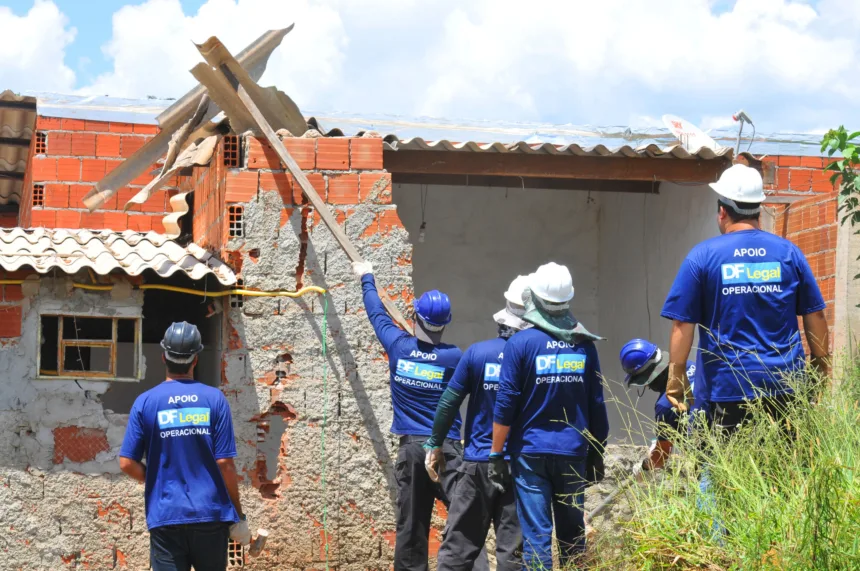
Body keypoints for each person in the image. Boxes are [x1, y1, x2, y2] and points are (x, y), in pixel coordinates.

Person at [661, 163, 830, 435]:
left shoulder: (702, 256)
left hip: (727, 389)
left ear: (722, 211)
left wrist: (676, 377)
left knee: (726, 472)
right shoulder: (789, 253)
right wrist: (821, 365)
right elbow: (815, 315)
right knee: (784, 472)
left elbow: (682, 325)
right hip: (785, 386)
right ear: (758, 210)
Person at [352, 261, 488, 571]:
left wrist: (367, 277)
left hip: (413, 450)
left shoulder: (399, 346)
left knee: (412, 528)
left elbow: (377, 314)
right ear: (445, 323)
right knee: (465, 518)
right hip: (449, 450)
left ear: (416, 317)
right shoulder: (456, 357)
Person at [490, 262, 609, 569]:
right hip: (572, 453)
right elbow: (597, 404)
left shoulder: (520, 344)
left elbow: (505, 407)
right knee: (573, 536)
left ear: (534, 298)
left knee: (537, 537)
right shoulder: (584, 346)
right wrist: (596, 452)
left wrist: (495, 454)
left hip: (530, 455)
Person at [119, 322, 250, 571]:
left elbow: (126, 463)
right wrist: (239, 515)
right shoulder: (214, 399)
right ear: (196, 359)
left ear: (163, 357)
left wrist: (156, 478)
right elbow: (225, 464)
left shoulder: (145, 402)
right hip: (210, 514)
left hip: (166, 515)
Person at [424, 275, 531, 571]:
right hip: (518, 466)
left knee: (458, 548)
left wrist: (435, 444)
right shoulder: (534, 358)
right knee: (514, 553)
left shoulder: (477, 353)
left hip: (478, 465)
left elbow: (448, 402)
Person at [620, 338, 704, 477]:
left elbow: (661, 456)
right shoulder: (690, 366)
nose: (647, 387)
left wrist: (644, 468)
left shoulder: (666, 405)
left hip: (707, 459)